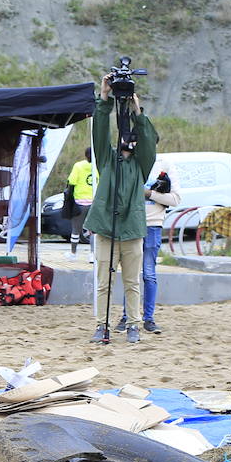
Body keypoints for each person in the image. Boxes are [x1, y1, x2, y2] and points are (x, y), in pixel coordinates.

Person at [84, 73, 157, 344]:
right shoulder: (106, 160)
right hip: (106, 228)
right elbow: (99, 133)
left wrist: (138, 111)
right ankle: (101, 326)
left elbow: (150, 141)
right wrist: (104, 98)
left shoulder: (141, 165)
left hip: (132, 230)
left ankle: (134, 325)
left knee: (132, 282)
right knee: (104, 282)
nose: (130, 139)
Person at [140, 160, 181, 334]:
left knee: (149, 273)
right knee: (130, 274)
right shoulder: (132, 162)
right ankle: (128, 316)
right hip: (131, 225)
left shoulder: (165, 165)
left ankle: (148, 318)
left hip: (153, 226)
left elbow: (175, 199)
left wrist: (149, 194)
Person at [66, 147, 97, 254]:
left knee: (75, 229)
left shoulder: (78, 166)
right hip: (94, 203)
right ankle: (92, 254)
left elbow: (72, 181)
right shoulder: (99, 166)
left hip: (79, 203)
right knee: (93, 230)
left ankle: (73, 253)